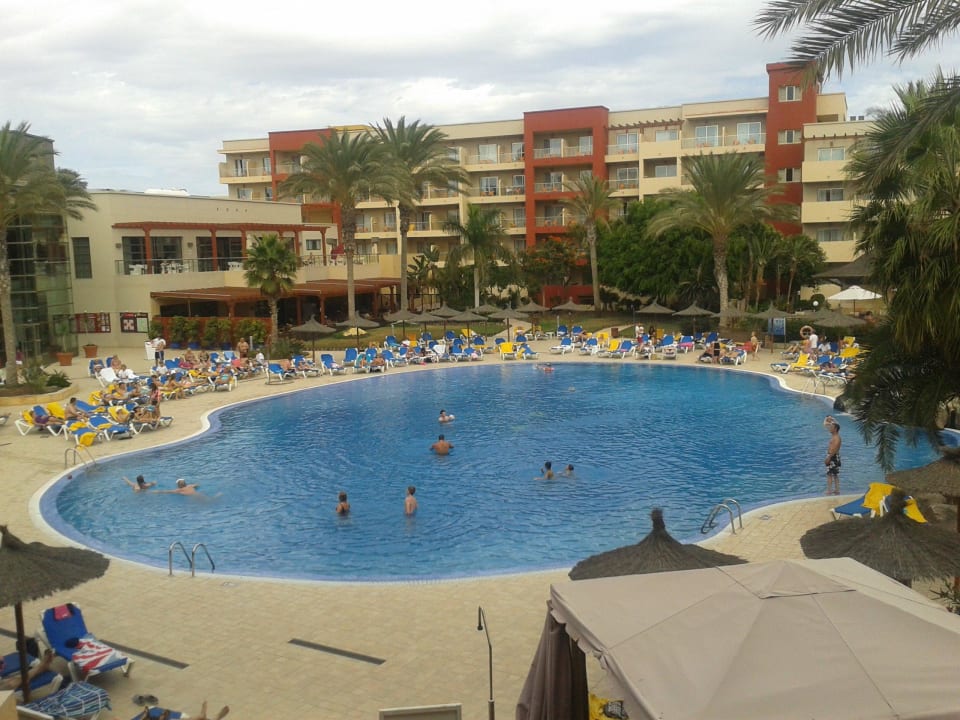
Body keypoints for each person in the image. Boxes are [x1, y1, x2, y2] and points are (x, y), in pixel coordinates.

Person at [823, 416, 842, 495]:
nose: (830, 429)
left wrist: (829, 457)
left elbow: (835, 448)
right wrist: (831, 420)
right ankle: (837, 490)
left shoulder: (837, 438)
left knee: (830, 474)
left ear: (835, 429)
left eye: (831, 428)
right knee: (834, 474)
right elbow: (825, 424)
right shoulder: (835, 436)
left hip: (833, 456)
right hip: (833, 456)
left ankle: (829, 490)